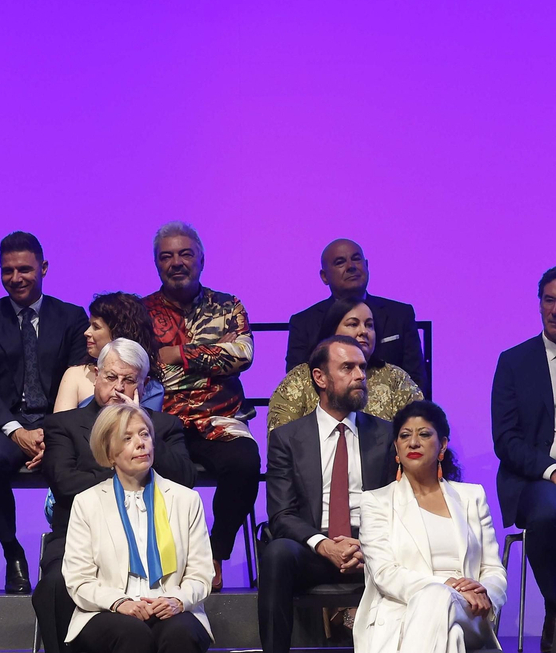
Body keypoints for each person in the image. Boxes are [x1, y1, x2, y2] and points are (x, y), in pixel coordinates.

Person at [34, 341, 195, 653]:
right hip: (82, 534)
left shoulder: (163, 426)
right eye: (111, 377)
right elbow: (64, 483)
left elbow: (184, 479)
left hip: (149, 537)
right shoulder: (64, 425)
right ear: (95, 376)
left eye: (129, 380)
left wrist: (137, 420)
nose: (117, 387)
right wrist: (126, 470)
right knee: (54, 584)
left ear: (142, 383)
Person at [61, 403, 214, 653]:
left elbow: (201, 575)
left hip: (172, 606)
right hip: (107, 611)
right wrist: (120, 602)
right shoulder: (87, 504)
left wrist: (177, 598)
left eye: (144, 434)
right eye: (127, 438)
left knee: (179, 637)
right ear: (109, 453)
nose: (140, 444)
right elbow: (77, 580)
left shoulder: (185, 500)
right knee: (132, 636)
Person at [356, 401, 506, 653]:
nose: (413, 441)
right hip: (406, 614)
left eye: (424, 434)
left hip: (471, 613)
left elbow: (494, 569)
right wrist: (443, 589)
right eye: (404, 435)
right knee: (447, 634)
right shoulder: (376, 502)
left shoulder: (471, 497)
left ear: (442, 446)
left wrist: (484, 592)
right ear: (396, 448)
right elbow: (385, 574)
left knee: (450, 617)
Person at [259, 336, 396, 653]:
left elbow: (396, 506)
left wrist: (365, 544)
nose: (360, 376)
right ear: (320, 377)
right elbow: (281, 513)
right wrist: (324, 546)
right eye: (348, 368)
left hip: (371, 545)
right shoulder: (288, 437)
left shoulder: (386, 435)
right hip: (314, 544)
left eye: (362, 369)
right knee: (277, 554)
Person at [0, 232, 89, 593]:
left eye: (24, 269)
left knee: (87, 462)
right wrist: (15, 429)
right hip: (2, 424)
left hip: (59, 422)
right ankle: (12, 552)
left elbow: (78, 378)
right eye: (7, 271)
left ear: (44, 268)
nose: (16, 278)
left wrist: (52, 432)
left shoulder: (71, 317)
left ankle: (70, 555)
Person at [143, 222, 259, 589]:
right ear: (157, 264)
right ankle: (175, 561)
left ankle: (215, 553)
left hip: (219, 417)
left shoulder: (227, 305)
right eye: (167, 256)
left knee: (245, 462)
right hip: (162, 421)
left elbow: (242, 354)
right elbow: (140, 362)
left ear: (201, 259)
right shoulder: (141, 312)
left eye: (185, 253)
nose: (176, 262)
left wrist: (177, 354)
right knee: (154, 471)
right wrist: (213, 355)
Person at [490, 266, 556, 653]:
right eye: (549, 300)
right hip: (533, 479)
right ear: (540, 305)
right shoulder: (514, 362)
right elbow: (506, 439)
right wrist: (549, 470)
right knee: (549, 514)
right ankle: (555, 605)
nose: (555, 310)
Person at [285, 239, 425, 387]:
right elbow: (296, 383)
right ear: (324, 276)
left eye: (356, 259)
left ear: (367, 265)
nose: (351, 266)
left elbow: (416, 380)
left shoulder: (400, 315)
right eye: (340, 262)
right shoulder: (304, 322)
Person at [267, 298, 422, 430]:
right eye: (353, 324)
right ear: (332, 331)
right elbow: (281, 438)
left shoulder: (396, 379)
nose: (363, 331)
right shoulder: (299, 379)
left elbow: (419, 434)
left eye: (369, 325)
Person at [53, 292, 165, 412]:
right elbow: (60, 426)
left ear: (119, 332)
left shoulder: (151, 388)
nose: (86, 332)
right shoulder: (74, 375)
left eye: (96, 327)